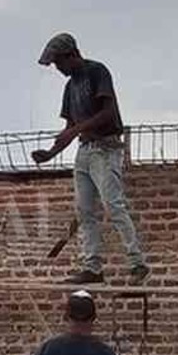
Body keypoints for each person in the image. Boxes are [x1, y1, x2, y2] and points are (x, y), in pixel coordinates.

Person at [31, 32, 150, 285]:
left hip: (106, 149)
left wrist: (75, 130)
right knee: (85, 211)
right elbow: (70, 127)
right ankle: (92, 267)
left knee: (113, 204)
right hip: (85, 151)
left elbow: (109, 113)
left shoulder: (97, 72)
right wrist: (50, 153)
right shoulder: (69, 87)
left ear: (72, 55)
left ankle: (137, 262)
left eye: (59, 63)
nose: (58, 69)